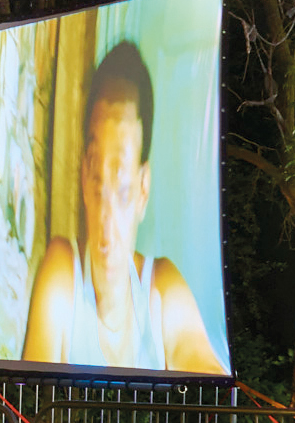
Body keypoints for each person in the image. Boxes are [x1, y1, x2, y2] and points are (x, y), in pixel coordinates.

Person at [20, 41, 220, 371]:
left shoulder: (164, 290)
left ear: (143, 190)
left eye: (123, 187)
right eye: (98, 179)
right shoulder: (62, 272)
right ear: (84, 176)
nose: (105, 221)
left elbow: (202, 365)